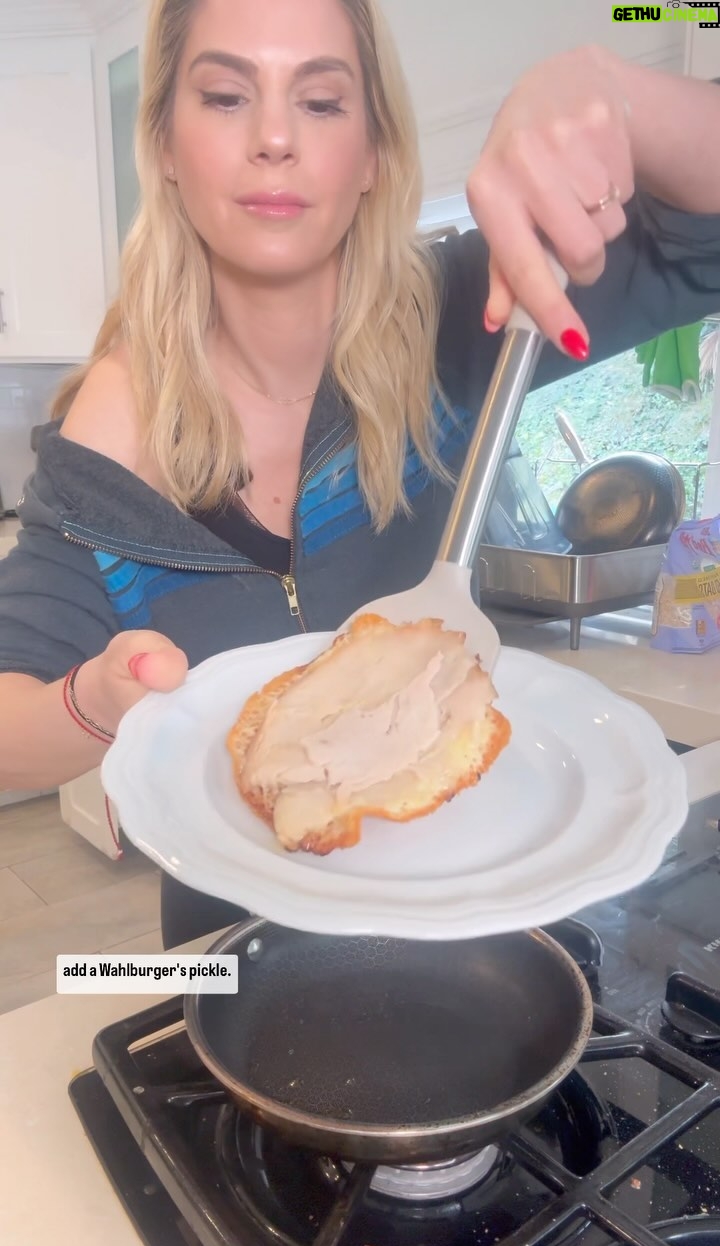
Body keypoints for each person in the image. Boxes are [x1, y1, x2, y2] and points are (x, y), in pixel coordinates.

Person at [1, 0, 720, 947]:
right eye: (225, 97)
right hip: (222, 951)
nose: (274, 138)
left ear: (374, 151)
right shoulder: (105, 440)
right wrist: (94, 703)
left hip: (458, 907)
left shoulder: (466, 310)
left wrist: (622, 99)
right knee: (133, 1022)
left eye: (322, 102)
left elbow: (702, 238)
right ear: (166, 145)